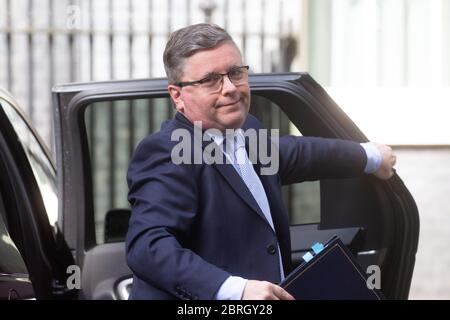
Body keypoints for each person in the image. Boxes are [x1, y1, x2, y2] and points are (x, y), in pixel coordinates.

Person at [125, 23, 396, 300]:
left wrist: (370, 156)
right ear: (177, 96)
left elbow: (300, 153)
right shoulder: (168, 150)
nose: (229, 88)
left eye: (235, 73)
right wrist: (236, 290)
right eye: (210, 80)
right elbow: (147, 246)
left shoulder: (247, 131)